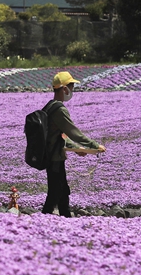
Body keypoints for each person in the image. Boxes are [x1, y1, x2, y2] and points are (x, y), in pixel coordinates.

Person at [42, 71, 104, 218]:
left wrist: (76, 149)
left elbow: (59, 135)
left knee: (62, 190)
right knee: (56, 191)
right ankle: (42, 218)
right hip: (54, 158)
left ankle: (66, 219)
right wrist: (94, 145)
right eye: (71, 87)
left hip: (53, 155)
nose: (72, 91)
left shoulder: (50, 106)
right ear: (64, 89)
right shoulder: (59, 110)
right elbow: (73, 132)